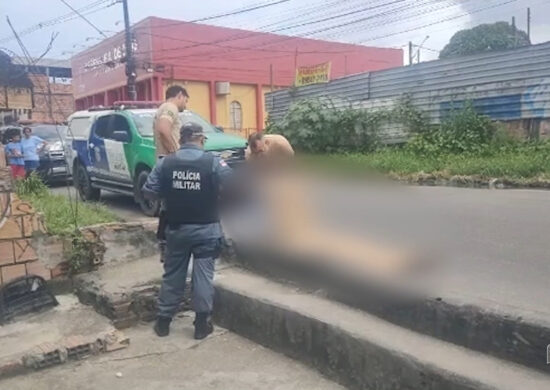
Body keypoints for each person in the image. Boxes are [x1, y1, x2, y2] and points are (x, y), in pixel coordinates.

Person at [142, 122, 232, 340]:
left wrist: (171, 194)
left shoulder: (165, 163)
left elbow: (148, 191)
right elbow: (236, 184)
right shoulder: (213, 162)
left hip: (176, 229)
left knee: (173, 275)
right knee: (202, 277)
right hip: (207, 230)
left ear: (181, 140)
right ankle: (201, 325)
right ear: (200, 139)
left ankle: (163, 322)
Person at [153, 85, 190, 262]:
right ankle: (167, 243)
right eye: (186, 100)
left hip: (165, 160)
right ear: (180, 96)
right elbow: (163, 129)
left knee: (169, 203)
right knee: (173, 203)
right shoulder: (170, 108)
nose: (185, 105)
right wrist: (176, 154)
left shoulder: (163, 108)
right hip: (170, 161)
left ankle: (165, 242)